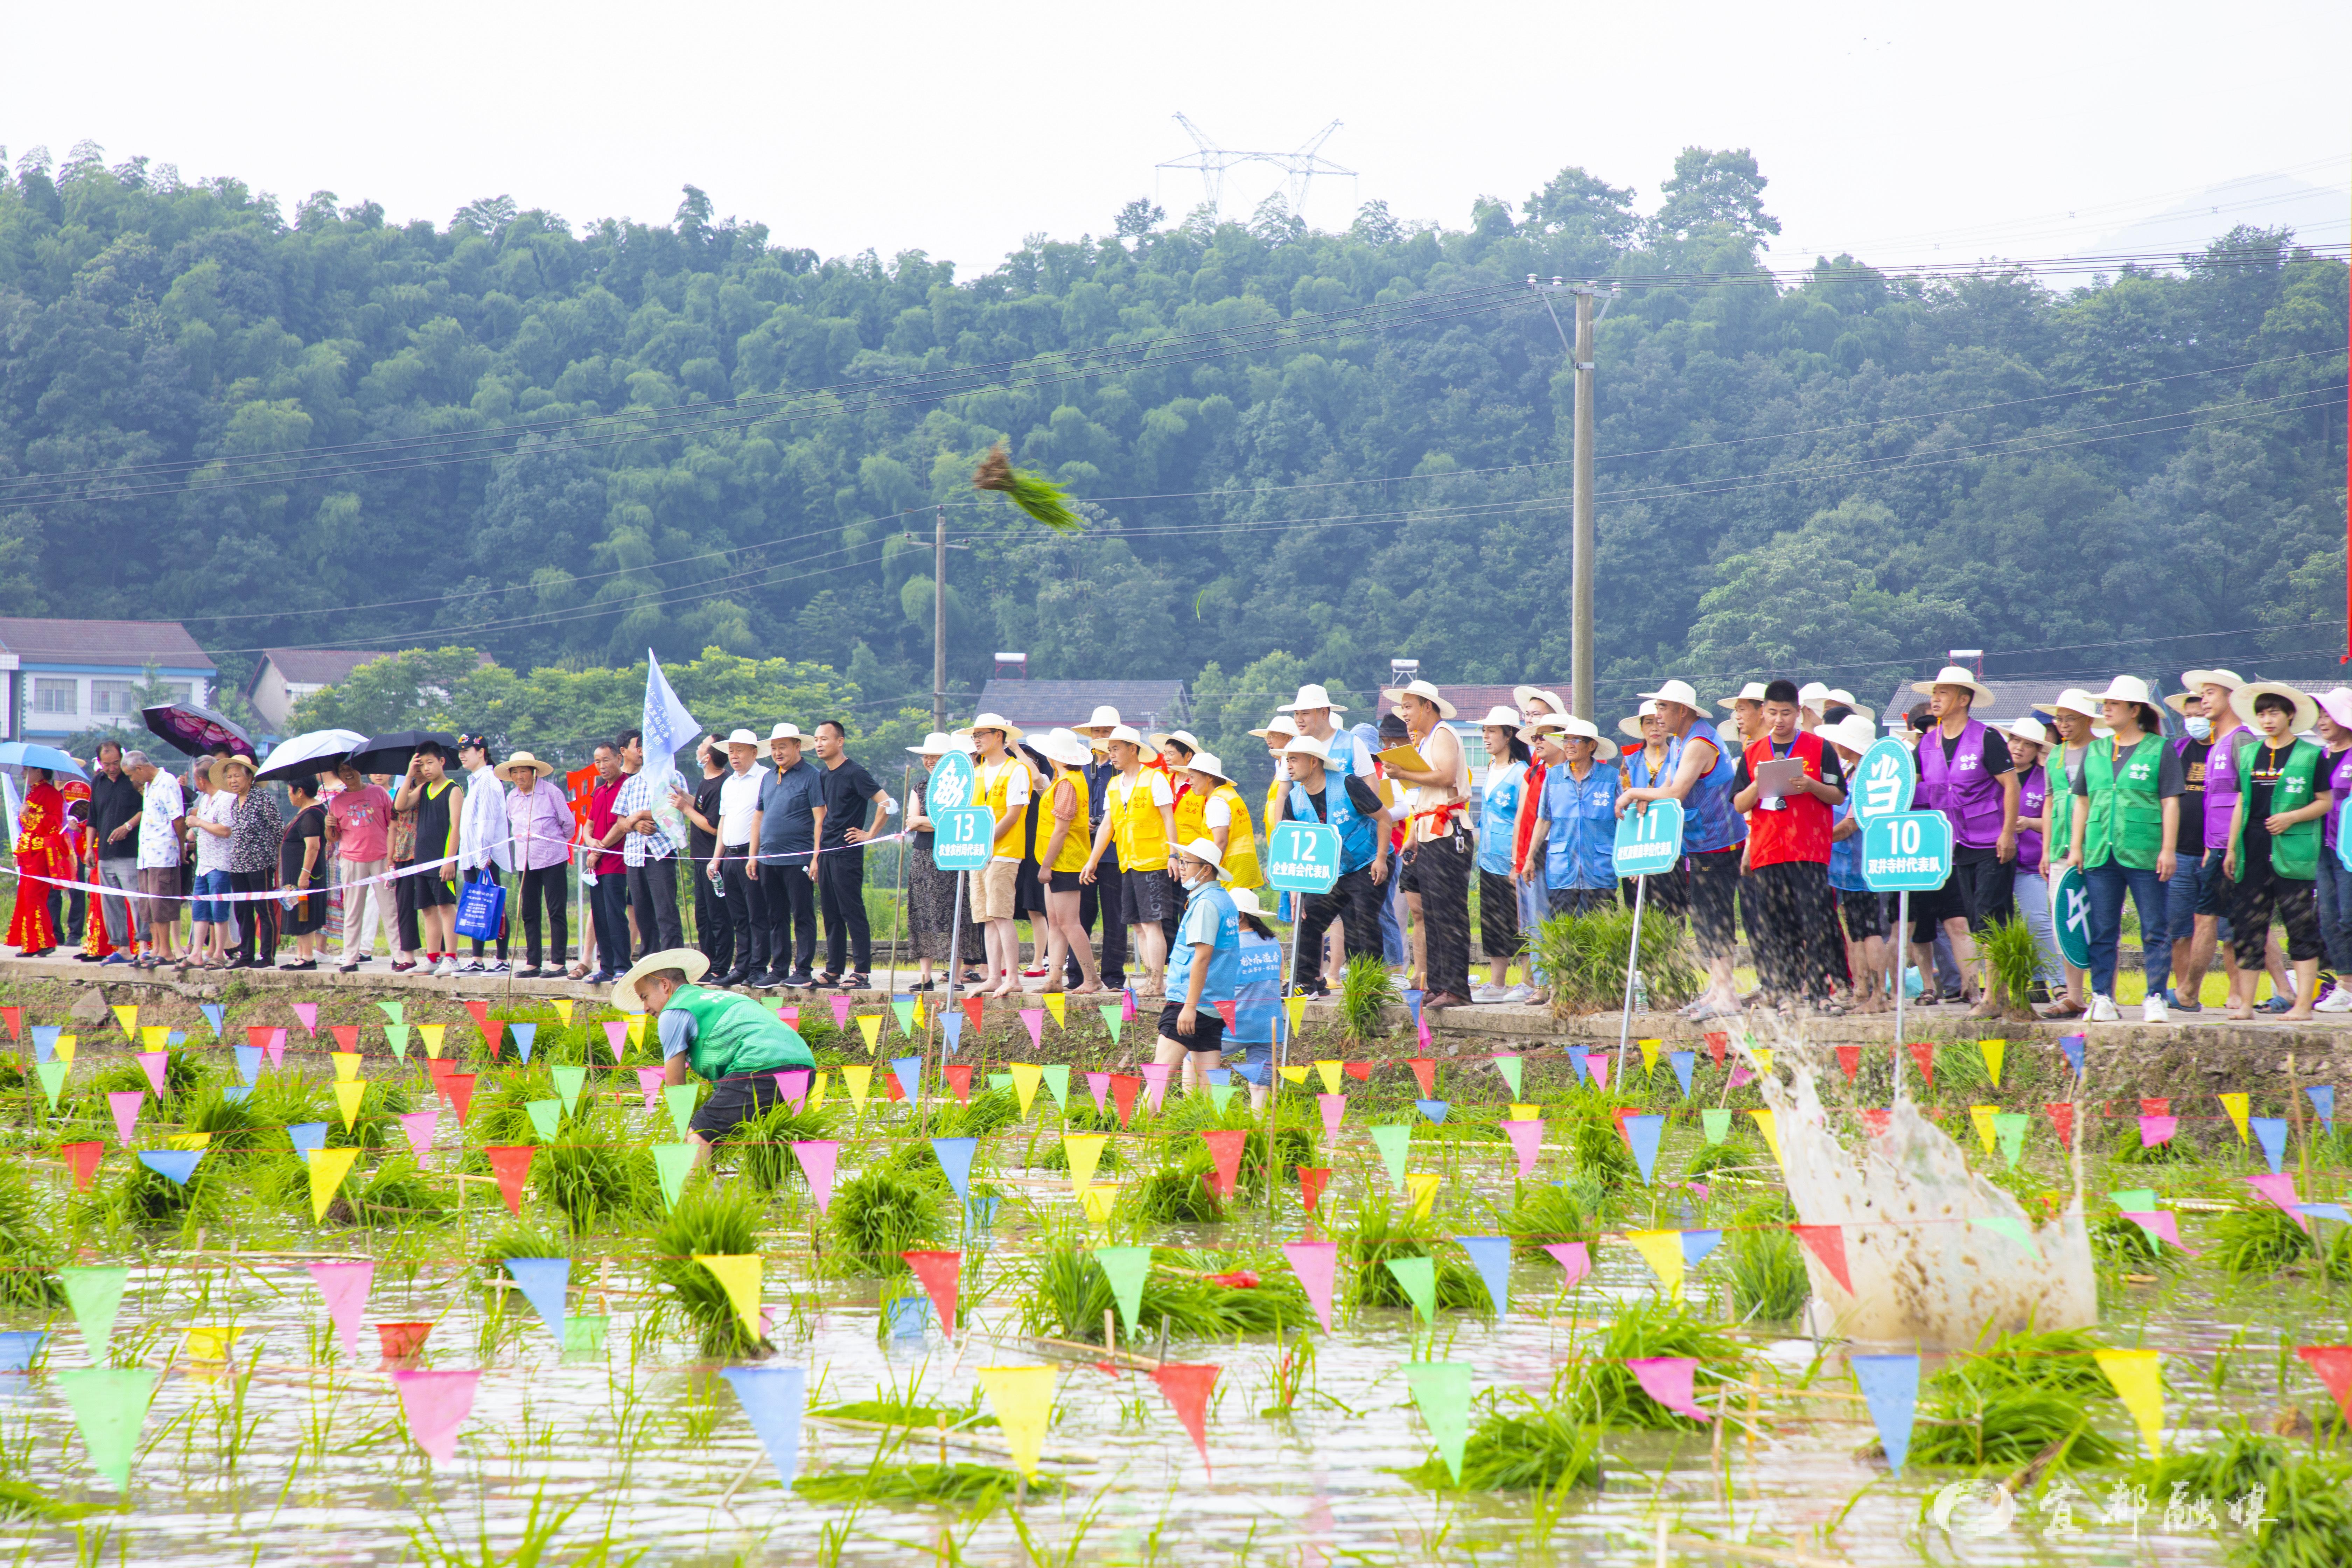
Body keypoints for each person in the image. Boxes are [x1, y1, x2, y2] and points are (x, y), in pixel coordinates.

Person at [618, 947, 817, 1168]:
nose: (645, 1008)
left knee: (701, 1136)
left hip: (759, 1066)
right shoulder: (725, 996)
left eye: (645, 997)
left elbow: (676, 1084)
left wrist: (687, 1130)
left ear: (665, 986)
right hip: (804, 1067)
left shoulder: (673, 1012)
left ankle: (694, 1198)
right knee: (765, 1141)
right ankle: (761, 1195)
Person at [1618, 680, 1745, 1021]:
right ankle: (1717, 990)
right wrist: (1645, 795)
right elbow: (1664, 787)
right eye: (1656, 708)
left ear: (1683, 711)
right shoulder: (1680, 742)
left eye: (1663, 708)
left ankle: (1727, 994)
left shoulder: (1699, 743)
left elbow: (1675, 792)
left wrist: (1634, 794)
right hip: (1699, 842)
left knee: (1714, 915)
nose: (1657, 716)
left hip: (1721, 841)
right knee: (1703, 917)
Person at [2064, 675, 2182, 1023]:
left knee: (2154, 926)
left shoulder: (2159, 749)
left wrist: (2169, 849)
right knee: (2103, 928)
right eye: (2106, 704)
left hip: (2146, 850)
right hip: (2101, 850)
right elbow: (2082, 802)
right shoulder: (2096, 750)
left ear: (2135, 711)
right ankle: (2102, 996)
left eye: (2115, 704)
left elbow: (2171, 802)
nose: (2107, 708)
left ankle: (2156, 996)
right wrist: (2076, 847)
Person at [1906, 664, 2021, 1017]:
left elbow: (2011, 786)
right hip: (1953, 847)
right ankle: (1999, 994)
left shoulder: (1987, 737)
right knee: (1974, 919)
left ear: (1964, 699)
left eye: (1943, 693)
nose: (1935, 698)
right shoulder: (1927, 743)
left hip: (1991, 841)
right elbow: (1911, 786)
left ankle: (1993, 996)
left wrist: (2007, 832)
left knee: (1989, 915)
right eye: (1934, 693)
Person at [1731, 679, 1848, 1010]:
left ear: (1798, 713)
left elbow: (1838, 794)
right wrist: (1758, 784)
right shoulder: (1752, 753)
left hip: (1808, 850)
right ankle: (1787, 993)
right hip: (1769, 851)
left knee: (1816, 921)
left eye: (1786, 713)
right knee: (1777, 926)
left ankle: (1821, 993)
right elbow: (1739, 804)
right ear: (1764, 714)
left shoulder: (1818, 747)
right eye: (1772, 713)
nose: (1779, 720)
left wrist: (1810, 784)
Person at [2221, 681, 2327, 1021]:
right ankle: (2247, 1005)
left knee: (2300, 925)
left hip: (2293, 851)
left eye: (2275, 713)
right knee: (2249, 926)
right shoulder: (2251, 754)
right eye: (2262, 714)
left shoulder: (2311, 755)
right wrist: (2231, 847)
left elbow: (2324, 801)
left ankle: (2303, 1006)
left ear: (2290, 716)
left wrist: (2291, 817)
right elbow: (2241, 801)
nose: (2268, 720)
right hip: (2252, 849)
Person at [1273, 732, 1394, 994]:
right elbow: (1293, 847)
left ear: (1314, 762)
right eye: (1287, 761)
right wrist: (1297, 890)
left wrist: (1382, 859)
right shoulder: (1294, 799)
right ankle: (1306, 983)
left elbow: (1385, 819)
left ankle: (1370, 985)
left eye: (1294, 760)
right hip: (1334, 872)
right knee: (1309, 916)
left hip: (1369, 862)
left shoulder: (1349, 784)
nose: (1288, 766)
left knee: (1362, 922)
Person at [1381, 678, 1475, 1010]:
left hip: (1448, 831)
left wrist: (1403, 774)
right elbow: (1422, 798)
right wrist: (1411, 838)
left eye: (1408, 707)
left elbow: (1447, 777)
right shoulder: (1424, 742)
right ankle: (1438, 983)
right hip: (1427, 831)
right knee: (1432, 914)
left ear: (1427, 706)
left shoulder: (1444, 734)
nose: (1404, 714)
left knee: (1449, 912)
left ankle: (1457, 987)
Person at [2168, 670, 2252, 1011]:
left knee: (2218, 919)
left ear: (2231, 697)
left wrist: (2233, 846)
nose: (2203, 700)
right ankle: (2188, 991)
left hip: (2233, 848)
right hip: (2215, 846)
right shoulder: (2218, 742)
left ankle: (2188, 991)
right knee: (2231, 917)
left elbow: (2248, 796)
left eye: (2210, 693)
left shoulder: (2241, 741)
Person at [1084, 723, 1178, 996]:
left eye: (1116, 749)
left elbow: (1168, 818)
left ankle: (1158, 981)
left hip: (1153, 861)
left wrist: (1174, 854)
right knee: (1137, 925)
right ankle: (1151, 979)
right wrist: (1093, 860)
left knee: (1152, 923)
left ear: (1133, 750)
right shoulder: (1114, 784)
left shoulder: (1155, 779)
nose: (1111, 754)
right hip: (1128, 862)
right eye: (1109, 750)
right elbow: (1107, 826)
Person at [811, 719, 894, 991]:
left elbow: (887, 802)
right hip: (826, 851)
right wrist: (815, 856)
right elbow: (822, 817)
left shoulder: (855, 772)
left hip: (848, 853)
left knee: (852, 911)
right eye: (816, 739)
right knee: (831, 913)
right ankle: (833, 969)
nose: (819, 744)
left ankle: (862, 971)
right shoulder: (824, 775)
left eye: (824, 739)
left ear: (840, 741)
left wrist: (870, 833)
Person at [1156, 837, 1241, 1096]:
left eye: (1187, 863)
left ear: (1206, 869)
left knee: (1159, 1078)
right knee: (1208, 1088)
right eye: (1181, 861)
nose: (1181, 867)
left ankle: (1134, 1134)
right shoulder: (1223, 900)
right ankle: (1203, 1131)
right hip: (1216, 1005)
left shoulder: (1205, 904)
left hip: (1189, 1002)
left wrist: (1189, 1008)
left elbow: (1202, 958)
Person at [902, 732, 985, 990]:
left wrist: (931, 823)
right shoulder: (920, 788)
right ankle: (925, 976)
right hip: (923, 857)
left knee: (956, 915)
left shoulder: (965, 786)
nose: (930, 761)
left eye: (936, 757)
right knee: (922, 915)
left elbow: (960, 820)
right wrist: (941, 822)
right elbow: (912, 822)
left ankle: (956, 974)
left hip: (954, 855)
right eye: (927, 757)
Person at [744, 723, 821, 988]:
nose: (778, 752)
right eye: (774, 748)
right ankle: (778, 969)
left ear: (797, 747)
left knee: (802, 914)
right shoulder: (768, 777)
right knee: (775, 916)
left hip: (798, 859)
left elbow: (820, 818)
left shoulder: (811, 775)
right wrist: (753, 856)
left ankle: (804, 970)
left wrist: (816, 857)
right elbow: (759, 817)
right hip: (768, 859)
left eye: (783, 747)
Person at [1821, 716, 1890, 1012]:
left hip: (1862, 867)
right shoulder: (1852, 772)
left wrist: (1817, 840)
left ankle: (1879, 996)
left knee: (1869, 930)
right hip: (1846, 868)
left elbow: (1850, 825)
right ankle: (1862, 990)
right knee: (1856, 930)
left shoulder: (1867, 777)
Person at [966, 713, 1036, 997]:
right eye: (975, 735)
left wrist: (985, 841)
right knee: (986, 916)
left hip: (1004, 852)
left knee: (1002, 914)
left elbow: (1014, 814)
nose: (977, 740)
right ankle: (993, 976)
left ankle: (1013, 977)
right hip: (979, 854)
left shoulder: (1016, 769)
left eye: (982, 734)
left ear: (999, 736)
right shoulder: (978, 771)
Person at [1029, 728, 1102, 995]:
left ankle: (1092, 978)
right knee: (1056, 921)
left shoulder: (1068, 784)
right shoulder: (1069, 780)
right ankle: (1055, 978)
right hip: (1060, 859)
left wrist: (1046, 865)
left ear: (1054, 756)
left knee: (1070, 923)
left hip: (1065, 860)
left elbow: (1061, 829)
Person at [1525, 716, 1621, 917]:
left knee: (1602, 930)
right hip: (1563, 868)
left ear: (1591, 745)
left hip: (1600, 867)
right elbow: (1544, 819)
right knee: (1563, 930)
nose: (1568, 746)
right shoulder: (1554, 777)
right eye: (1566, 740)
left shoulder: (1610, 777)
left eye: (1575, 740)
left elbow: (1624, 821)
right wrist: (1530, 858)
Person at [607, 727, 686, 962]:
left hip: (661, 852)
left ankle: (674, 961)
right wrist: (635, 824)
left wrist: (639, 815)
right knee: (642, 913)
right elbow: (621, 819)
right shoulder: (631, 784)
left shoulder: (673, 777)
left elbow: (673, 809)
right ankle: (651, 960)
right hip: (634, 855)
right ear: (640, 751)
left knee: (666, 911)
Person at [2003, 718, 2066, 1005]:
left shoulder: (2045, 777)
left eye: (2028, 745)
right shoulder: (1996, 775)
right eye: (2016, 741)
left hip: (2030, 863)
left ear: (2038, 750)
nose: (2020, 748)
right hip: (1997, 861)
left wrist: (2029, 822)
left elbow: (2054, 819)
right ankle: (2020, 984)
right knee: (1999, 925)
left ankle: (2058, 983)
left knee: (2039, 920)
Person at [1068, 705, 1128, 992]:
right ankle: (1077, 975)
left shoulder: (1124, 770)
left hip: (1115, 852)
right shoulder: (1080, 766)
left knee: (1116, 916)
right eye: (1097, 732)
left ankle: (1113, 977)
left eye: (1106, 732)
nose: (1101, 737)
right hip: (1083, 850)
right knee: (1080, 915)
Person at [391, 741, 465, 976]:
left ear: (442, 762)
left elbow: (456, 827)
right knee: (427, 909)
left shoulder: (454, 789)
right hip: (421, 860)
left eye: (430, 763)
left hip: (442, 859)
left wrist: (449, 860)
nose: (427, 769)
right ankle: (432, 958)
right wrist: (408, 775)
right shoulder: (423, 790)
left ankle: (451, 957)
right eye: (422, 765)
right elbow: (400, 805)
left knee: (446, 906)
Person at [498, 751, 572, 977]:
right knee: (529, 912)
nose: (519, 776)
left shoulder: (551, 793)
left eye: (523, 771)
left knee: (556, 910)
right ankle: (533, 962)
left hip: (552, 860)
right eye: (515, 772)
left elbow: (568, 824)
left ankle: (558, 962)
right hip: (525, 862)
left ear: (534, 772)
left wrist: (555, 842)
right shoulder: (512, 798)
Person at [703, 730, 768, 985]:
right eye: (731, 751)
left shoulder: (765, 777)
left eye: (740, 750)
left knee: (757, 915)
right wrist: (716, 858)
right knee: (738, 916)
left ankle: (758, 967)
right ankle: (741, 967)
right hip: (729, 856)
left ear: (754, 752)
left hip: (752, 855)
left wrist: (754, 854)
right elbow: (724, 821)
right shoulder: (729, 783)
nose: (735, 756)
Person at [325, 761, 394, 972]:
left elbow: (392, 823)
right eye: (342, 771)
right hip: (352, 859)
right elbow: (333, 837)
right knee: (353, 911)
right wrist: (329, 826)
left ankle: (400, 956)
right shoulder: (336, 802)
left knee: (390, 909)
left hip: (381, 857)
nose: (348, 774)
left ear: (359, 771)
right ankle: (351, 958)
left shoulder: (379, 793)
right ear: (339, 775)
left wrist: (392, 857)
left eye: (351, 769)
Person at [673, 738, 733, 978]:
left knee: (718, 916)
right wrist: (684, 797)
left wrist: (685, 809)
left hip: (714, 860)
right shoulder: (707, 782)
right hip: (700, 859)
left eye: (702, 746)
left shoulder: (723, 785)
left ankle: (721, 967)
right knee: (703, 917)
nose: (698, 749)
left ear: (708, 757)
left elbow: (714, 826)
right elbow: (701, 807)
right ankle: (706, 966)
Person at [217, 753, 282, 969]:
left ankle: (267, 956)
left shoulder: (262, 799)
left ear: (250, 777)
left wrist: (275, 860)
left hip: (260, 862)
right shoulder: (235, 804)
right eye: (229, 777)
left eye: (237, 776)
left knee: (263, 908)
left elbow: (278, 830)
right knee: (242, 910)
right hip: (238, 864)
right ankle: (246, 955)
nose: (233, 780)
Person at [2310, 689, 2352, 1011]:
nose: (2323, 721)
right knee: (2329, 918)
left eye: (2329, 714)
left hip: (2349, 849)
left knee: (2349, 916)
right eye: (2320, 715)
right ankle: (2346, 986)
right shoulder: (2319, 759)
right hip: (2323, 848)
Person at [124, 750, 185, 969]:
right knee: (148, 905)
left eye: (131, 776)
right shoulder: (149, 787)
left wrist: (182, 846)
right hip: (147, 854)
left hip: (163, 853)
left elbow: (178, 819)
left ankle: (167, 951)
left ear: (139, 769)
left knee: (161, 903)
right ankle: (157, 947)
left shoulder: (167, 782)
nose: (132, 781)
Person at [1226, 886, 1286, 1111]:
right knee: (1261, 1083)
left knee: (1193, 1059)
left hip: (1235, 1023)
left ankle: (1197, 1118)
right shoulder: (1273, 943)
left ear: (1239, 916)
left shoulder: (1231, 946)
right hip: (1268, 1025)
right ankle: (1259, 1129)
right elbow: (1279, 980)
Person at [454, 734, 511, 973]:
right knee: (475, 905)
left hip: (485, 858)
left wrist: (483, 856)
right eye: (461, 750)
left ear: (482, 752)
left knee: (494, 905)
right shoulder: (475, 781)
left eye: (467, 749)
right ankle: (477, 959)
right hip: (471, 856)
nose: (462, 754)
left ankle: (501, 959)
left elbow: (488, 821)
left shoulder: (489, 780)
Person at [6, 765, 68, 956]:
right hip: (29, 853)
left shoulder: (50, 793)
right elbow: (27, 827)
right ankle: (36, 941)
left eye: (27, 770)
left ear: (39, 771)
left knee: (35, 897)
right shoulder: (34, 792)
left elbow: (55, 823)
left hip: (40, 854)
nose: (24, 774)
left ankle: (40, 943)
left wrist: (30, 815)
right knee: (27, 897)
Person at [580, 742, 626, 983]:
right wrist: (590, 842)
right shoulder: (599, 791)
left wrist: (598, 851)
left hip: (616, 863)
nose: (602, 766)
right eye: (598, 762)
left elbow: (621, 825)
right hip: (596, 865)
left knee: (615, 915)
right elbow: (589, 825)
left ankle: (622, 965)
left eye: (606, 760)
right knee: (599, 916)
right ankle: (606, 966)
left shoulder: (626, 786)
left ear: (619, 758)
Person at [187, 757, 236, 968]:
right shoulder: (205, 801)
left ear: (201, 780)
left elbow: (226, 830)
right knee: (200, 909)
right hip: (203, 865)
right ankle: (197, 953)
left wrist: (198, 823)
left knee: (219, 909)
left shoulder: (226, 799)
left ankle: (219, 952)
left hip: (220, 864)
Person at [278, 773, 328, 969]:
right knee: (297, 911)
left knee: (304, 914)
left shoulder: (311, 815)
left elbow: (313, 846)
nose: (289, 796)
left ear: (301, 791)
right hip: (295, 874)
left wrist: (304, 875)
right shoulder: (306, 812)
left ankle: (307, 957)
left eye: (291, 791)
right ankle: (300, 954)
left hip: (304, 875)